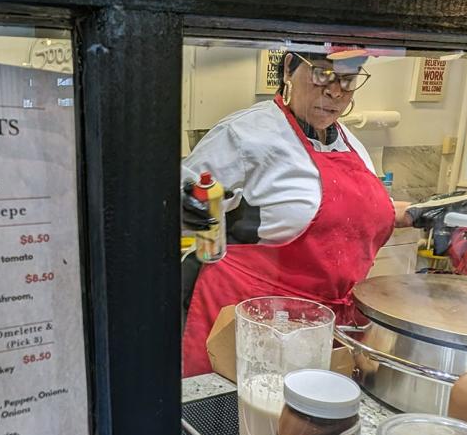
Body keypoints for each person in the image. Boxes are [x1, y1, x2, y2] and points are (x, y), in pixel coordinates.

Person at [180, 49, 420, 377]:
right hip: (246, 322)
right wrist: (185, 207)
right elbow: (182, 193)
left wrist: (424, 212)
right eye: (323, 74)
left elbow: (353, 217)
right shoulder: (248, 134)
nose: (335, 91)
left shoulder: (352, 144)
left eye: (348, 80)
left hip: (321, 327)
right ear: (290, 68)